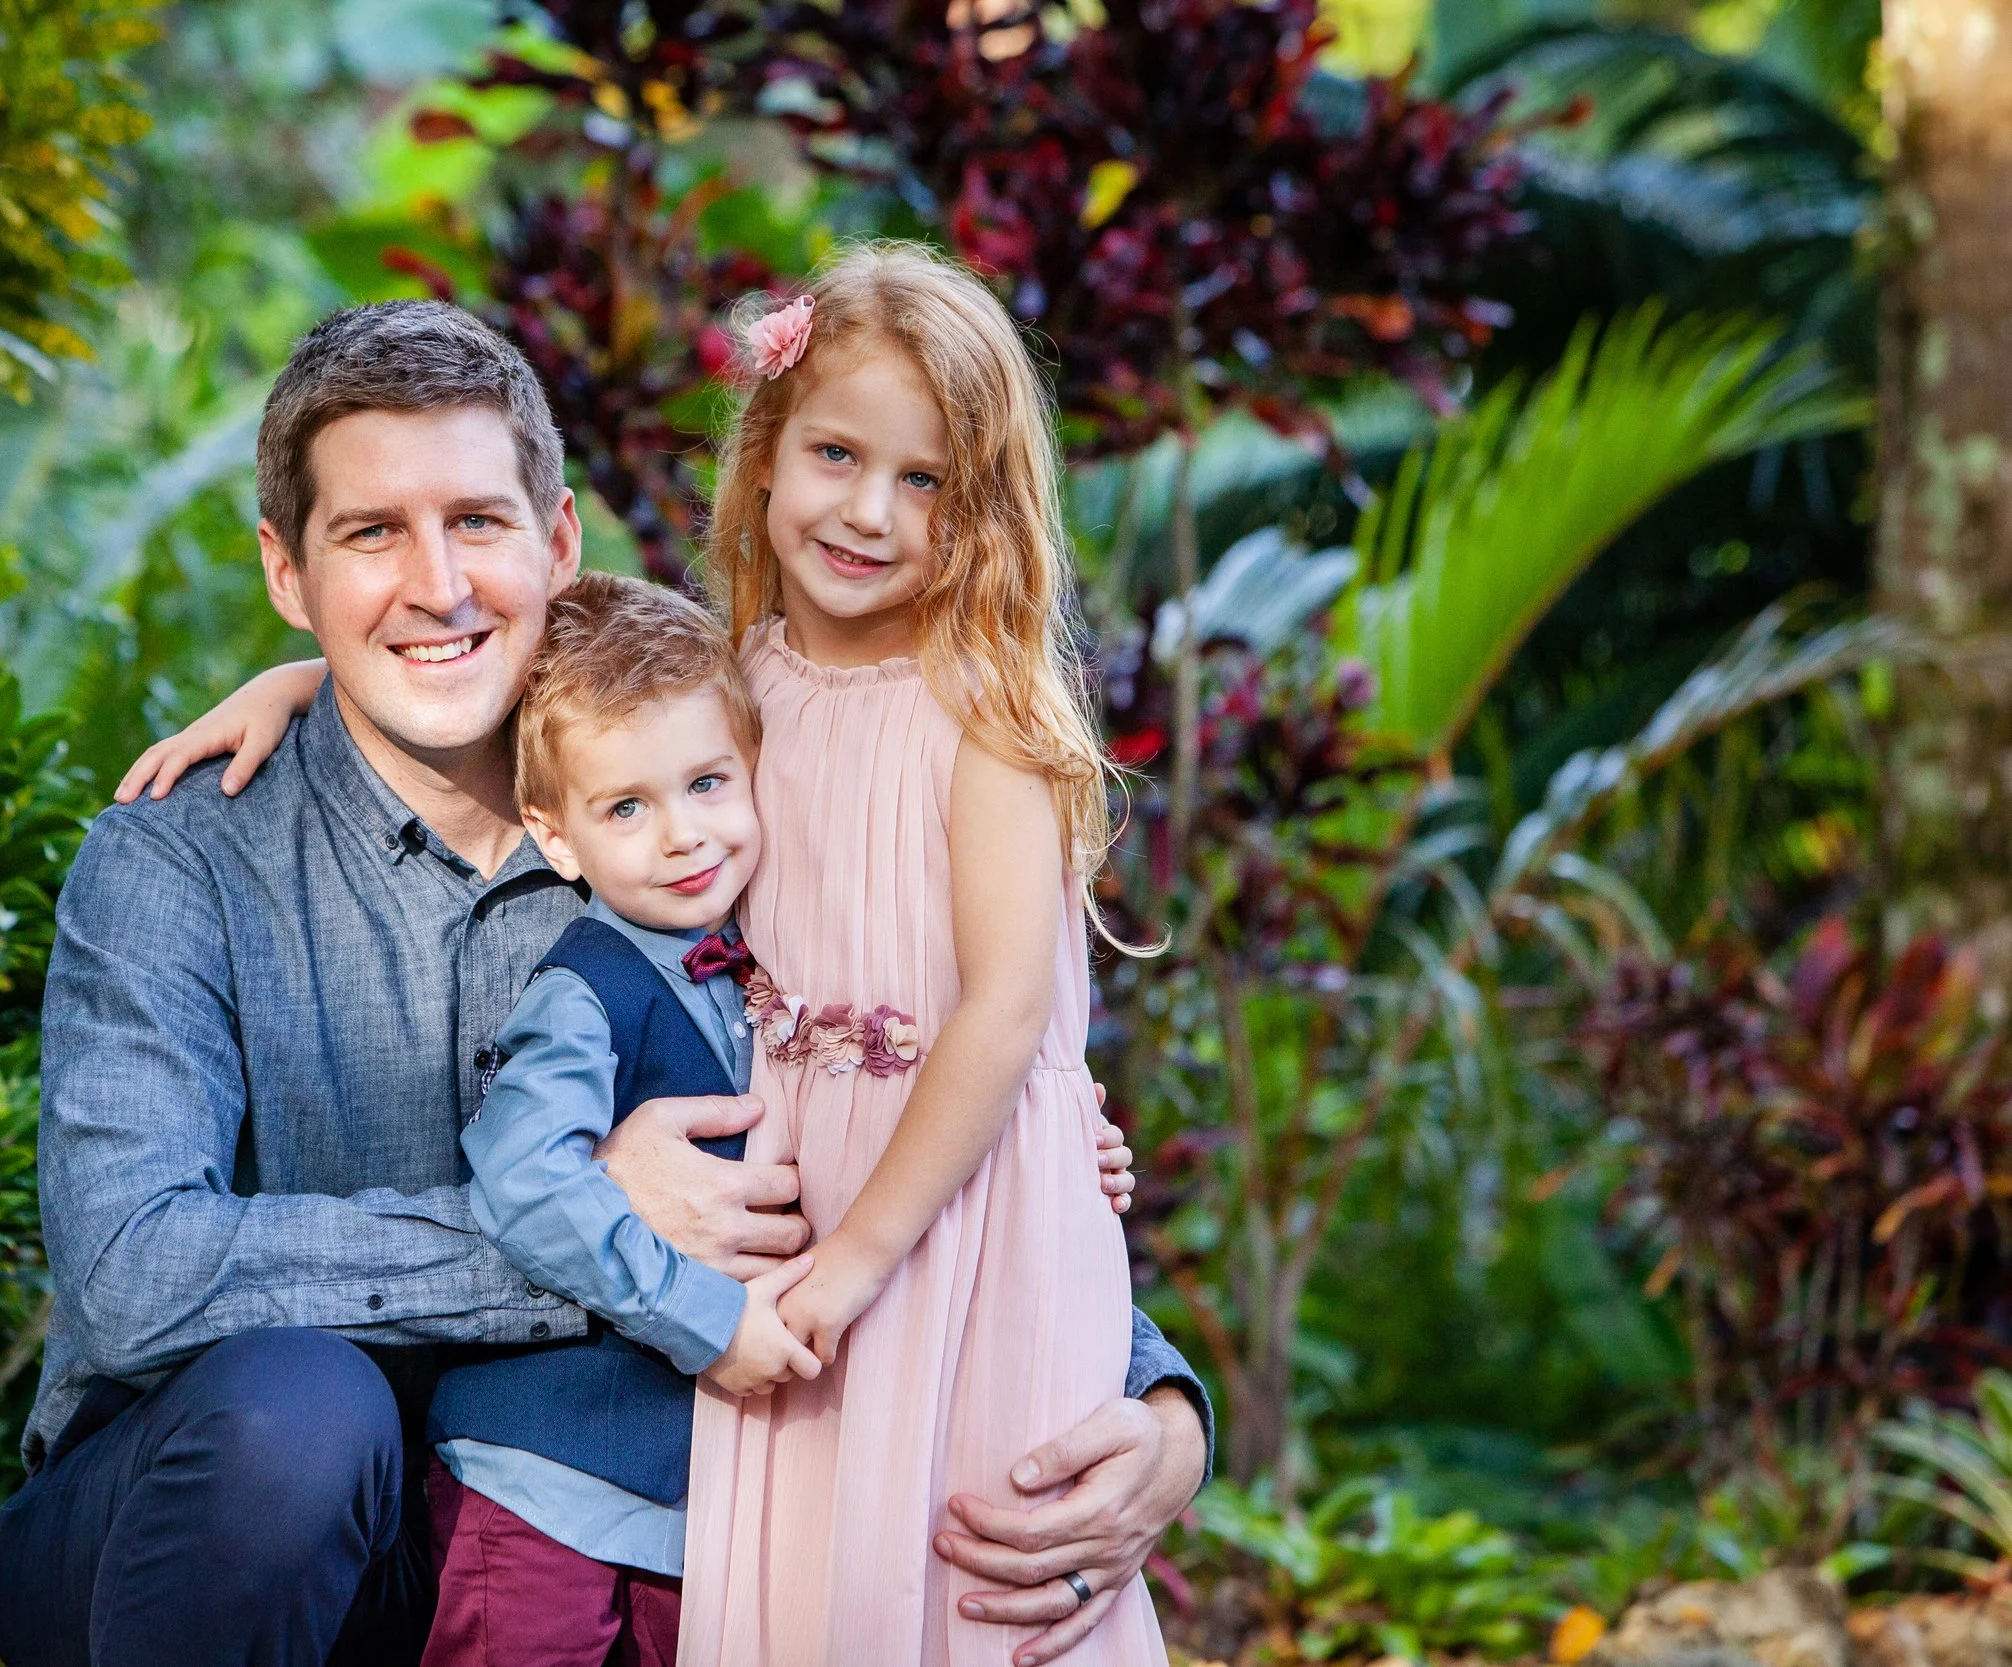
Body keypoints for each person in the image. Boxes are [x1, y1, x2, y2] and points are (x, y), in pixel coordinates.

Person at [65, 295, 1210, 1667]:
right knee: (301, 1418)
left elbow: (866, 1091)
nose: (436, 583)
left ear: (558, 543)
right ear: (287, 570)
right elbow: (133, 1273)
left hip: (565, 1521)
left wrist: (1159, 1408)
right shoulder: (178, 856)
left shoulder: (679, 816)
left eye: (476, 522)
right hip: (238, 1534)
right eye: (369, 534)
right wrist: (598, 1230)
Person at [421, 573, 818, 1667]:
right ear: (557, 837)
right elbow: (524, 1180)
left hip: (690, 1498)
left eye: (707, 783)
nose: (683, 835)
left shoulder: (785, 958)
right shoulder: (581, 992)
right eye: (626, 808)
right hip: (540, 1481)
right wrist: (707, 1318)